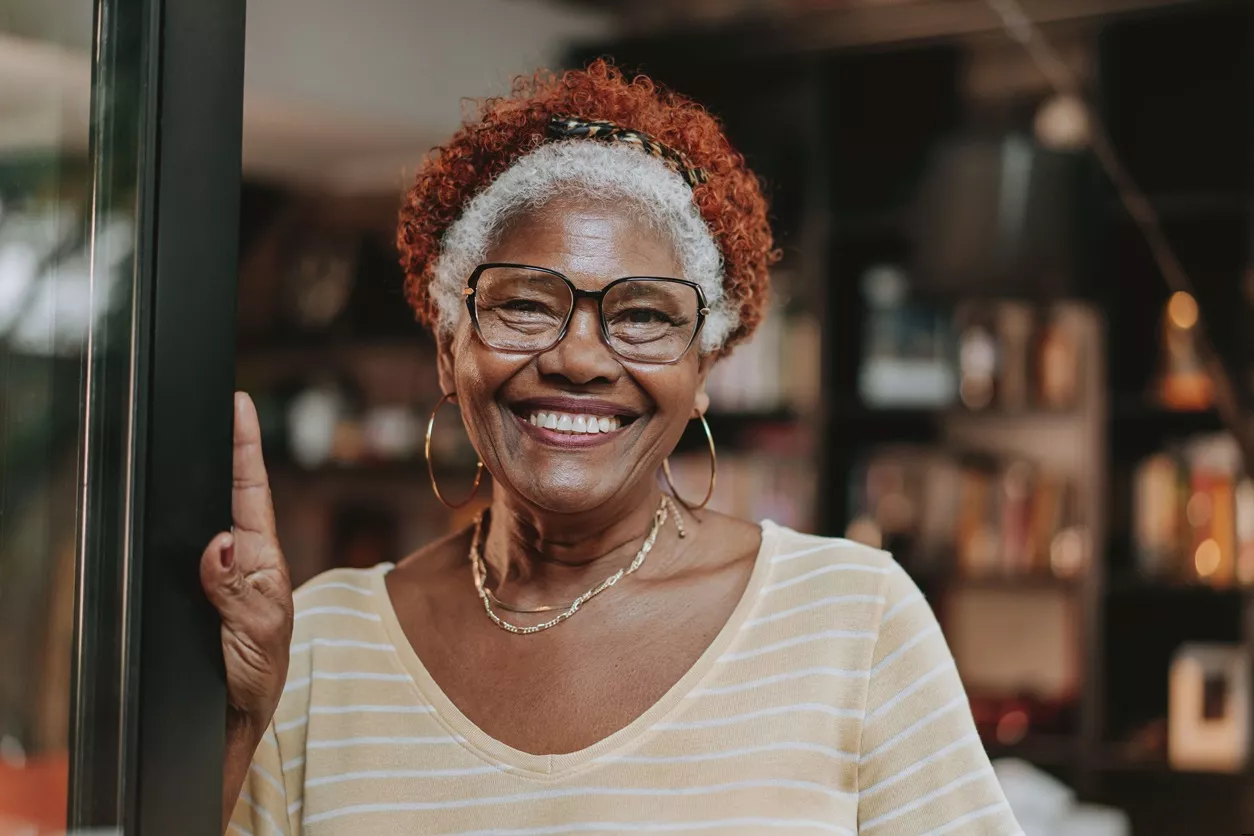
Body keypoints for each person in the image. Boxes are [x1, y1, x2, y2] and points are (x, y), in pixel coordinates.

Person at [205, 61, 1022, 835]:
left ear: (703, 369)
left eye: (642, 316)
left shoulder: (853, 620)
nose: (579, 359)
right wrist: (233, 730)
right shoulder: (317, 643)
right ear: (449, 351)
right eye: (524, 303)